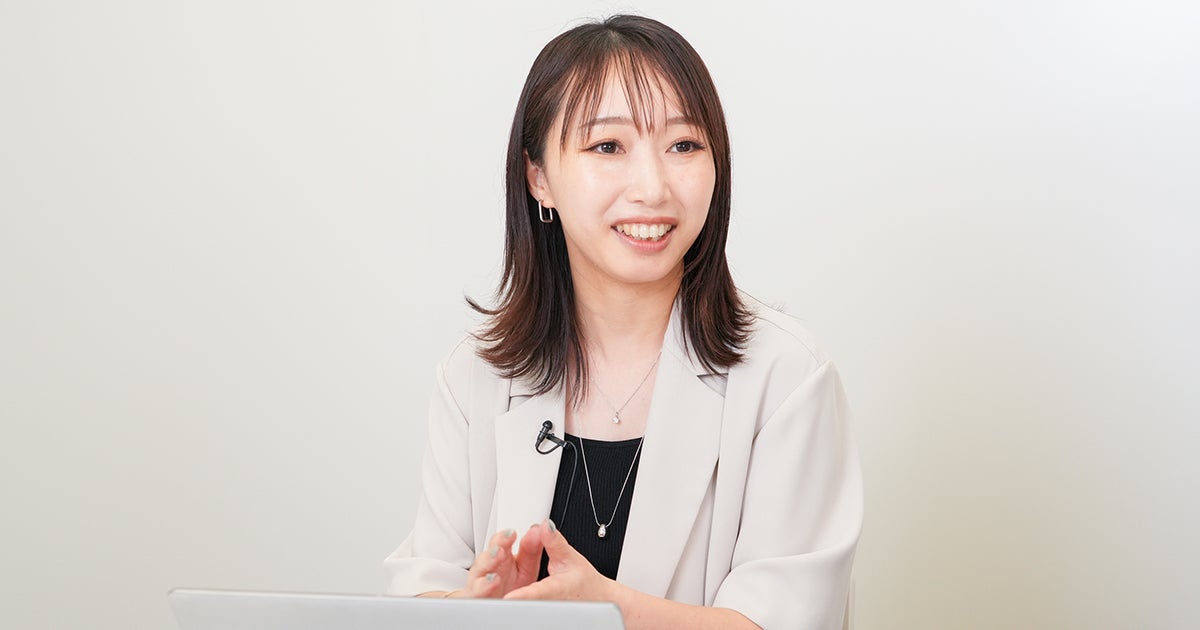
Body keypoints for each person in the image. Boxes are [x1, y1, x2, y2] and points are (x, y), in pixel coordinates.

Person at [384, 14, 862, 630]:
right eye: (608, 147)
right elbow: (424, 588)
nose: (653, 188)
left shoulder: (786, 376)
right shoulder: (475, 375)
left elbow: (787, 619)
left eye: (684, 145)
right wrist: (471, 610)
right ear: (539, 178)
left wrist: (609, 613)